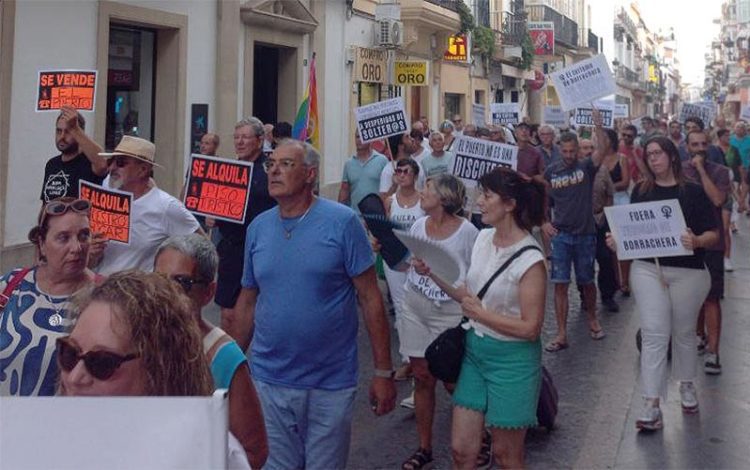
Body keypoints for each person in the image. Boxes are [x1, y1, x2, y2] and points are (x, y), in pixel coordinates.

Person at [226, 139, 397, 470]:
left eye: (286, 164)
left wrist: (383, 372)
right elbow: (247, 302)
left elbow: (370, 297)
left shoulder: (342, 222)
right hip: (269, 379)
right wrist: (229, 368)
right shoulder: (259, 228)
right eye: (270, 164)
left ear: (310, 174)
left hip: (328, 384)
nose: (274, 170)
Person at [58, 271, 250, 469]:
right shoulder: (47, 439)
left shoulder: (210, 457)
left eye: (102, 363)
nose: (74, 377)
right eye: (69, 353)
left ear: (160, 369)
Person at [425, 168, 547, 470]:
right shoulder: (482, 238)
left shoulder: (531, 258)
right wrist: (433, 273)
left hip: (513, 362)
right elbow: (469, 294)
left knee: (506, 457)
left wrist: (482, 315)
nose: (479, 201)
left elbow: (531, 328)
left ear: (510, 204)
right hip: (475, 355)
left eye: (487, 195)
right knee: (461, 451)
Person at [606, 136, 719, 431]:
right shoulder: (641, 192)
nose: (653, 159)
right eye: (649, 154)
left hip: (689, 272)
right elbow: (630, 232)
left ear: (671, 156)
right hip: (649, 270)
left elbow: (713, 235)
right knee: (655, 332)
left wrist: (696, 241)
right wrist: (618, 241)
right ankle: (651, 404)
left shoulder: (692, 192)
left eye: (658, 153)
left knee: (683, 332)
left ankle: (686, 384)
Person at [154, 235, 268, 468]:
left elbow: (253, 451)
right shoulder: (133, 340)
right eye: (158, 280)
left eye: (181, 282)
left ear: (208, 292)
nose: (166, 291)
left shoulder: (225, 357)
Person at [398, 174, 478, 470]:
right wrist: (413, 265)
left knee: (451, 380)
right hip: (416, 306)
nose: (422, 192)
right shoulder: (419, 225)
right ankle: (424, 447)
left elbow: (475, 272)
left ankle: (474, 438)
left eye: (428, 188)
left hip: (449, 312)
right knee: (421, 376)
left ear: (444, 197)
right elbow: (412, 263)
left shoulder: (468, 232)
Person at [0, 197, 100, 396]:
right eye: (63, 237)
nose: (77, 248)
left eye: (84, 235)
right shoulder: (11, 284)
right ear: (42, 244)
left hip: (62, 422)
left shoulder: (104, 297)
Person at [542, 110, 607, 353]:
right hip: (561, 236)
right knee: (560, 283)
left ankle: (592, 319)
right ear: (559, 148)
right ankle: (561, 333)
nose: (569, 156)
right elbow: (543, 198)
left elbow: (601, 151)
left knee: (587, 281)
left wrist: (598, 126)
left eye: (573, 151)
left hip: (585, 234)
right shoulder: (552, 171)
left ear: (578, 149)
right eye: (565, 151)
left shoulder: (586, 166)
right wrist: (544, 221)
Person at [92, 136, 201, 275]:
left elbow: (203, 248)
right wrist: (92, 252)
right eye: (111, 161)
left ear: (142, 170)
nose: (112, 167)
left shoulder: (166, 206)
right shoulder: (107, 187)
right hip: (100, 288)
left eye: (120, 163)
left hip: (136, 293)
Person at [214, 117, 276, 326]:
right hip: (231, 251)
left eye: (245, 137)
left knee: (247, 313)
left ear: (259, 141)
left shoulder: (270, 171)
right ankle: (229, 357)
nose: (239, 142)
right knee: (227, 314)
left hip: (259, 249)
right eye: (236, 137)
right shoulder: (228, 171)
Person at [682, 130, 731, 375]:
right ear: (687, 146)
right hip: (687, 243)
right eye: (694, 144)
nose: (699, 148)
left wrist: (701, 170)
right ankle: (699, 335)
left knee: (711, 297)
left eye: (703, 144)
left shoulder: (720, 172)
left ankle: (714, 351)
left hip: (712, 243)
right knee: (694, 297)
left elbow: (718, 200)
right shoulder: (679, 171)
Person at [380, 158, 425, 383]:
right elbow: (384, 229)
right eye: (397, 171)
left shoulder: (424, 201)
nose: (401, 175)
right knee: (400, 305)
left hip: (418, 260)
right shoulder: (390, 202)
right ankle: (407, 357)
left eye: (405, 171)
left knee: (418, 304)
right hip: (395, 260)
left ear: (415, 175)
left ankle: (424, 351)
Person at [40, 106, 107, 202]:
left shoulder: (88, 163)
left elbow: (102, 163)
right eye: (59, 131)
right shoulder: (52, 164)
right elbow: (45, 204)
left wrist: (75, 128)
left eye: (68, 132)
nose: (62, 136)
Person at [338, 130, 388, 213]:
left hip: (376, 216)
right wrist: (339, 211)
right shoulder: (349, 164)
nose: (359, 140)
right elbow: (344, 190)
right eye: (357, 137)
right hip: (355, 215)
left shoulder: (382, 161)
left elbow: (387, 189)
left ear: (370, 139)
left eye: (362, 137)